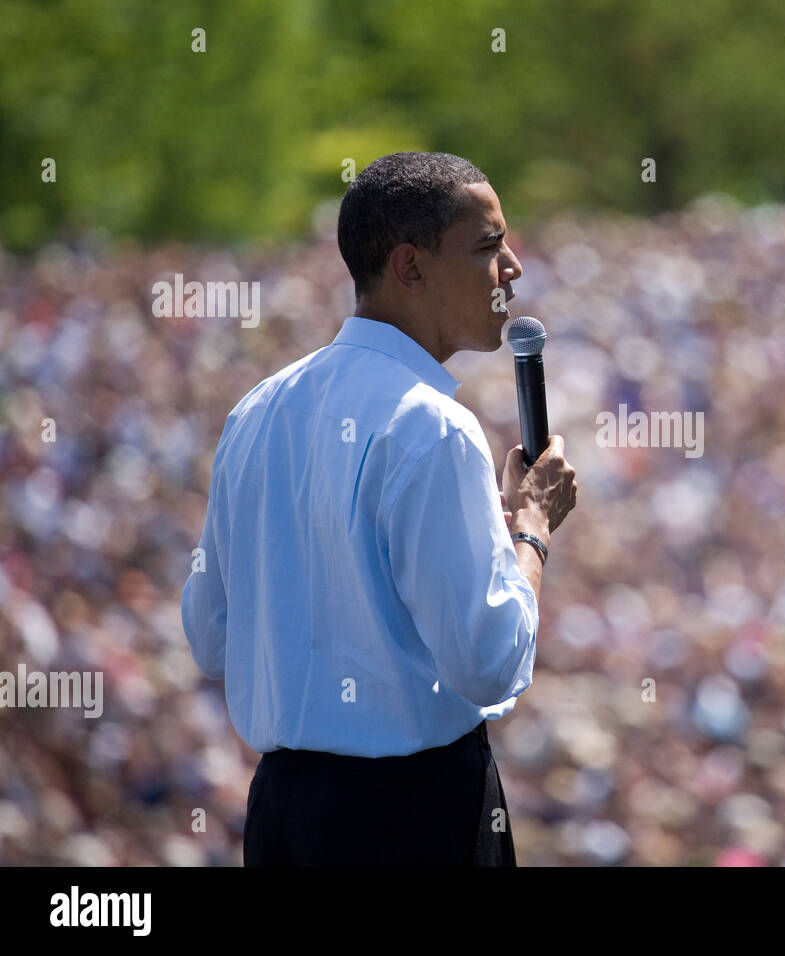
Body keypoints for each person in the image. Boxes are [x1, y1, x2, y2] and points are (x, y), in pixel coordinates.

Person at [180, 151, 578, 866]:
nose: (512, 268)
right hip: (412, 818)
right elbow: (489, 663)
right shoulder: (432, 424)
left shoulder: (259, 409)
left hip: (282, 816)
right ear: (410, 267)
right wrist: (533, 528)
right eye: (488, 246)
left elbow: (210, 635)